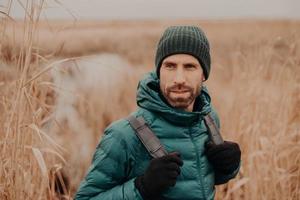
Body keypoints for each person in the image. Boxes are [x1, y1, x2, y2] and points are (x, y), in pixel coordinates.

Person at [75, 25, 241, 200]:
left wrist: (229, 167)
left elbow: (199, 182)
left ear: (204, 75)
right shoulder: (123, 135)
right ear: (159, 72)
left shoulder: (208, 119)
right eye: (170, 66)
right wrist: (142, 187)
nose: (179, 79)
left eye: (189, 67)